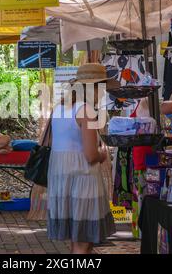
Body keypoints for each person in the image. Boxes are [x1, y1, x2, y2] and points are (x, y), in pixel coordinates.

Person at [47, 63, 116, 254]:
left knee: (75, 239)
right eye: (101, 87)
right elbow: (91, 155)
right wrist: (104, 154)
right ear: (94, 88)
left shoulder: (59, 109)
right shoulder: (86, 111)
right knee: (84, 241)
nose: (103, 93)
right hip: (83, 179)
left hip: (61, 179)